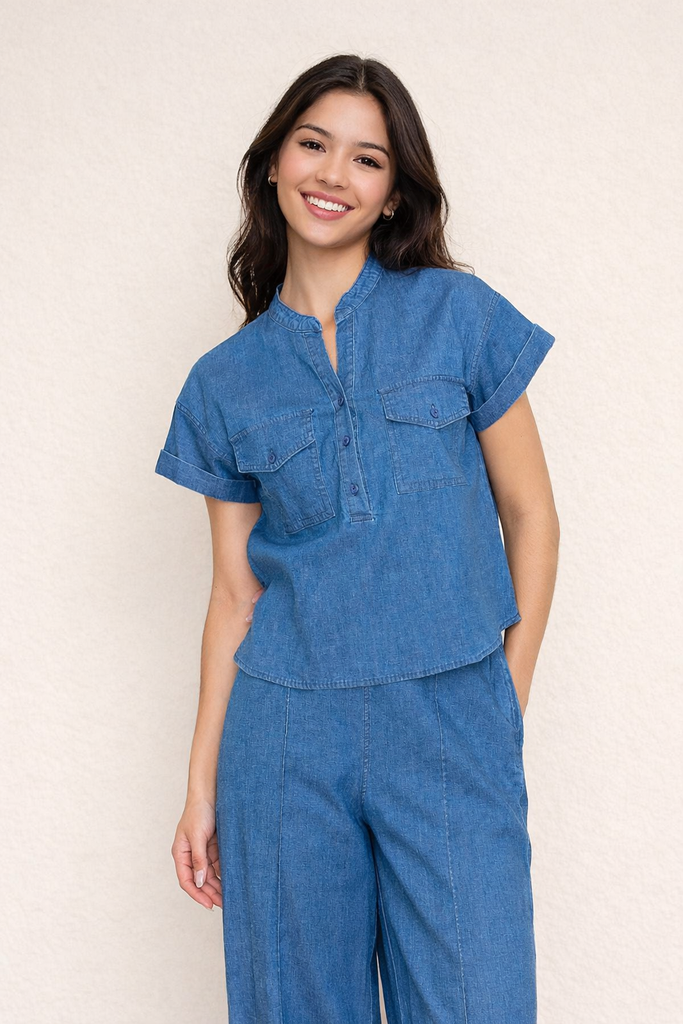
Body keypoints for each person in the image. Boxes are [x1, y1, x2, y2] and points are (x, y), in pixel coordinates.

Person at [155, 53, 560, 1024]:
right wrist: (200, 785)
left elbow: (532, 516)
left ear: (392, 193)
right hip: (285, 735)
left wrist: (500, 700)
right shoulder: (224, 382)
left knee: (476, 1001)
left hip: (450, 714)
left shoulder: (458, 317)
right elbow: (233, 593)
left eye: (366, 159)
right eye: (312, 144)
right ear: (273, 164)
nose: (332, 174)